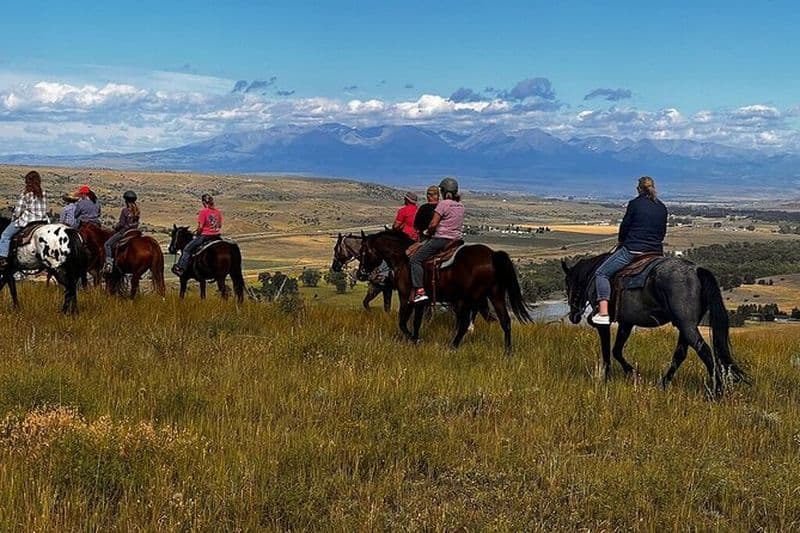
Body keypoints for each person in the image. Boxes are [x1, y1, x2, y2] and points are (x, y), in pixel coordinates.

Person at [591, 176, 667, 325]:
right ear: (654, 188)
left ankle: (603, 312)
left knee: (601, 273)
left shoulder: (634, 204)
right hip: (656, 252)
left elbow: (625, 227)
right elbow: (662, 232)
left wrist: (622, 240)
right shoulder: (662, 206)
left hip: (633, 250)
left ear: (638, 189)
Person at [409, 177, 465, 303]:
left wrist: (428, 232)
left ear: (444, 191)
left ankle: (419, 291)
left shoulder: (443, 204)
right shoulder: (461, 206)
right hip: (456, 241)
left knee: (415, 260)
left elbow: (433, 224)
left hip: (441, 239)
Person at [0, 170, 49, 268]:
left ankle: (3, 258)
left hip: (28, 220)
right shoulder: (43, 193)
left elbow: (18, 211)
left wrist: (13, 219)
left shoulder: (25, 194)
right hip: (43, 221)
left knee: (5, 235)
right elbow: (45, 208)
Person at [172, 193, 222, 276]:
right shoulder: (218, 212)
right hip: (216, 236)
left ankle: (181, 268)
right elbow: (219, 225)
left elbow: (201, 227)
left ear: (203, 202)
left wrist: (197, 234)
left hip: (206, 236)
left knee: (187, 249)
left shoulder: (203, 212)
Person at [103, 190, 140, 272]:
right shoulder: (137, 210)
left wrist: (115, 227)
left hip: (125, 231)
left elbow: (121, 224)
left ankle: (109, 264)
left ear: (126, 201)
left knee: (107, 244)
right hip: (135, 231)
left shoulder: (125, 210)